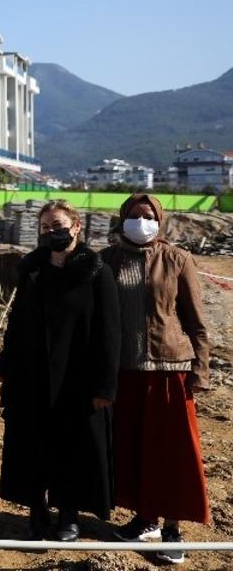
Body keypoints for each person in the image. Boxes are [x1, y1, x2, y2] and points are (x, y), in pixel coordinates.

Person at [0, 200, 120, 541]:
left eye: (59, 224)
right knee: (32, 444)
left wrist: (105, 387)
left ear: (77, 226)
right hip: (32, 375)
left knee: (73, 447)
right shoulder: (32, 270)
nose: (53, 231)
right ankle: (37, 510)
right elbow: (17, 324)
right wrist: (7, 370)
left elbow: (110, 332)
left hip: (77, 378)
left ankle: (69, 513)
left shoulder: (96, 271)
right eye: (47, 227)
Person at [102, 193, 211, 565]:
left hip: (169, 370)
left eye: (148, 215)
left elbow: (196, 321)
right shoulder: (109, 260)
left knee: (172, 453)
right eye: (134, 215)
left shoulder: (177, 260)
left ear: (159, 220)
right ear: (122, 219)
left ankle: (172, 528)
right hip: (123, 371)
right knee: (132, 449)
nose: (141, 221)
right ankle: (143, 518)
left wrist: (201, 369)